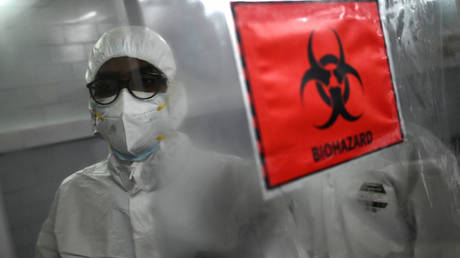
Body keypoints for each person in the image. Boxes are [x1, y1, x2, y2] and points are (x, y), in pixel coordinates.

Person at [35, 26, 262, 258]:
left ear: (173, 96)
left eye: (144, 82)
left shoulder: (233, 180)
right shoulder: (73, 195)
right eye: (106, 87)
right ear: (94, 106)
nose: (125, 102)